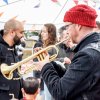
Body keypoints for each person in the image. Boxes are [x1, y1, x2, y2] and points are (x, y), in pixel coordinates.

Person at [33, 4, 100, 100]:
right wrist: (50, 63)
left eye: (67, 26)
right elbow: (74, 79)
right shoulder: (92, 48)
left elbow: (59, 92)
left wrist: (45, 67)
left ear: (78, 26)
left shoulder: (87, 54)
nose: (66, 31)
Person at [0, 19, 24, 99]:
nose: (22, 35)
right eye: (21, 32)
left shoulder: (13, 47)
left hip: (16, 94)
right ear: (12, 32)